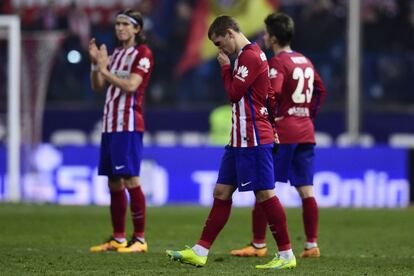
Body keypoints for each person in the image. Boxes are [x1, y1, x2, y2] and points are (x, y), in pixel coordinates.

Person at [166, 15, 296, 270]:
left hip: (253, 138)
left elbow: (234, 93)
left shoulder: (249, 55)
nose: (220, 49)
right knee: (221, 193)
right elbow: (269, 96)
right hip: (239, 139)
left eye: (219, 42)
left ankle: (286, 254)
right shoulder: (250, 57)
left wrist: (225, 67)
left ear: (229, 33)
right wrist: (275, 126)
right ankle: (200, 251)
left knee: (265, 194)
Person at [230, 12, 327, 259]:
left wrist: (275, 117)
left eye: (265, 33)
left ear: (272, 38)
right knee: (306, 191)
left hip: (284, 132)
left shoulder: (278, 63)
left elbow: (274, 92)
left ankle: (258, 244)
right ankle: (311, 244)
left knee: (264, 188)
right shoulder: (305, 60)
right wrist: (306, 114)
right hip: (306, 131)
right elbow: (320, 90)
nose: (263, 36)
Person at [88, 9, 154, 253]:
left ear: (137, 29)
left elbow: (131, 85)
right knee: (114, 182)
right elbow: (97, 86)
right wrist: (96, 65)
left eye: (125, 24)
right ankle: (117, 238)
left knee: (130, 178)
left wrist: (105, 70)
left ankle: (139, 239)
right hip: (109, 124)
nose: (120, 28)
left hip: (128, 124)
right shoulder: (115, 54)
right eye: (117, 24)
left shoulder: (143, 53)